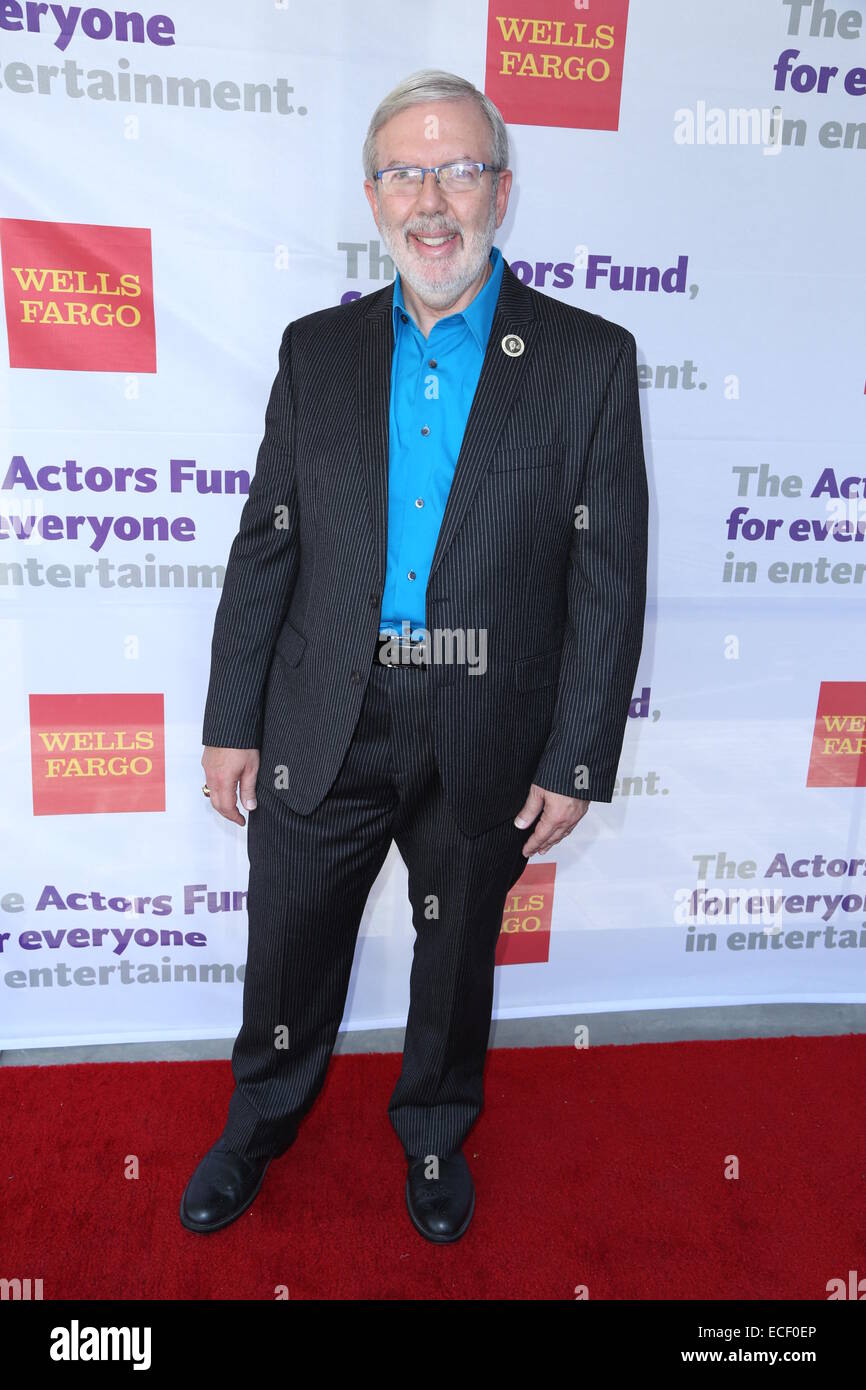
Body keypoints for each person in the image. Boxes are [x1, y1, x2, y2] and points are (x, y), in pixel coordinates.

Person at [180, 68, 648, 1244]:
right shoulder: (317, 350)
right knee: (288, 946)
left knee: (452, 960)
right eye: (404, 171)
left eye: (457, 168)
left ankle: (434, 1131)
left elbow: (606, 575)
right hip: (321, 713)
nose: (430, 199)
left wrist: (578, 754)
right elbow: (265, 546)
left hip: (486, 725)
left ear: (502, 187)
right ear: (372, 195)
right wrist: (231, 716)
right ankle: (256, 1126)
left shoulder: (587, 360)